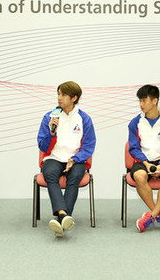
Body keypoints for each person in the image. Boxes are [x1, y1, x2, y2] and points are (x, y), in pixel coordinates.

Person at [37, 81, 96, 237]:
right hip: (54, 157)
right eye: (58, 94)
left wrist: (75, 159)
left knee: (75, 176)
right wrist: (51, 133)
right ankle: (64, 216)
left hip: (76, 159)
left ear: (74, 98)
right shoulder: (49, 117)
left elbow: (89, 146)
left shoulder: (84, 119)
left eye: (63, 95)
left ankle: (61, 217)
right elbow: (43, 146)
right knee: (49, 174)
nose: (59, 98)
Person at [127, 85, 160, 232]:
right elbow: (134, 148)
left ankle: (152, 215)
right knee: (138, 175)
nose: (141, 105)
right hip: (143, 161)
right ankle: (159, 215)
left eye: (144, 101)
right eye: (140, 101)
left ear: (155, 101)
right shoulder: (134, 123)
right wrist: (146, 163)